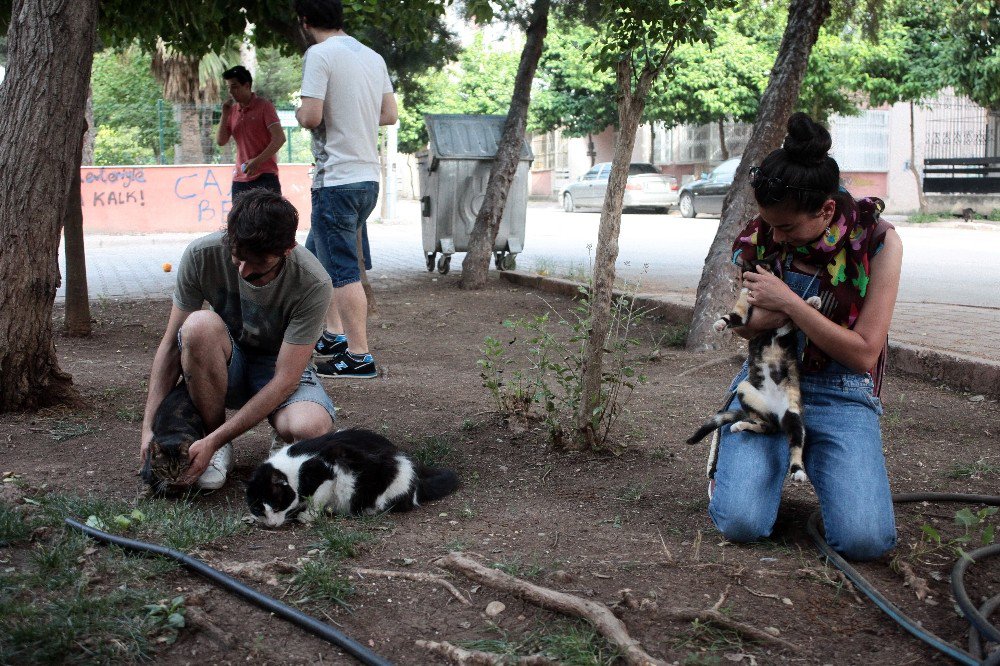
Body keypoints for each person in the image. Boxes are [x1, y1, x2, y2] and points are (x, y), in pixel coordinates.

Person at [706, 112, 902, 561]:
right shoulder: (762, 238)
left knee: (865, 542)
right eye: (769, 224)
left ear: (827, 210)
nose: (775, 236)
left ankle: (813, 457)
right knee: (741, 524)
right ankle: (737, 458)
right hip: (769, 382)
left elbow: (864, 354)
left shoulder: (879, 244)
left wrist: (788, 303)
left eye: (788, 228)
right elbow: (750, 329)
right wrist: (764, 313)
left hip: (842, 391)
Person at [139, 189, 335, 490]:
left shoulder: (313, 282)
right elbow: (169, 347)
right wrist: (148, 431)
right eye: (238, 258)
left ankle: (222, 441)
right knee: (197, 326)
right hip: (222, 360)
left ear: (287, 250)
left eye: (258, 265)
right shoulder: (200, 255)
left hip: (276, 367)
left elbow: (285, 380)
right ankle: (215, 445)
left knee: (311, 428)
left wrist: (214, 440)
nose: (244, 271)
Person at [293, 0, 399, 379]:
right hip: (368, 177)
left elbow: (311, 116)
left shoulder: (318, 55)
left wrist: (299, 109)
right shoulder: (372, 56)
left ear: (305, 20)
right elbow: (389, 114)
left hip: (336, 178)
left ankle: (359, 357)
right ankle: (335, 336)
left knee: (340, 270)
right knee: (314, 259)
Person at [216, 65, 286, 199]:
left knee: (270, 219)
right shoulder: (232, 111)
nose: (231, 91)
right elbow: (221, 141)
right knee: (240, 219)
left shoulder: (265, 106)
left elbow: (279, 138)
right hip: (240, 179)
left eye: (235, 86)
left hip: (265, 176)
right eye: (228, 87)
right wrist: (224, 115)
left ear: (247, 86)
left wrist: (257, 161)